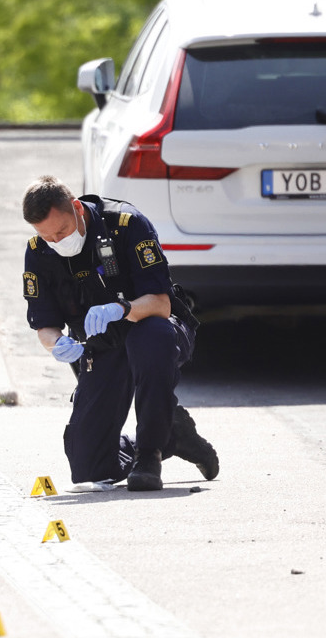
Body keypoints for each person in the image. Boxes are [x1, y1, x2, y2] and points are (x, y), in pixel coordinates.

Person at [21, 175, 219, 492]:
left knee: (150, 336)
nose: (57, 242)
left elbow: (161, 304)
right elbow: (44, 324)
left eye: (61, 231)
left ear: (75, 208)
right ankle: (173, 434)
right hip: (101, 347)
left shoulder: (125, 224)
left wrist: (121, 308)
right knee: (90, 467)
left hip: (153, 328)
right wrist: (55, 344)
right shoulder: (39, 252)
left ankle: (149, 455)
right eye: (48, 237)